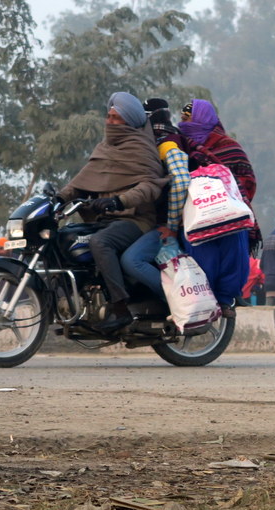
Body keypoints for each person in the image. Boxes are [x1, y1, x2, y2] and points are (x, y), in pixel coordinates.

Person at [59, 91, 168, 332]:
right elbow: (82, 182)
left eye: (116, 118)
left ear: (129, 121)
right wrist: (59, 198)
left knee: (100, 242)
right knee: (65, 238)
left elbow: (149, 187)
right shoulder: (105, 148)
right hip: (105, 219)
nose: (110, 122)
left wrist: (119, 201)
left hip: (136, 220)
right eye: (108, 116)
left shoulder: (142, 148)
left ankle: (120, 308)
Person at [179, 98, 259, 315]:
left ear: (204, 119)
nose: (184, 124)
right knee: (200, 260)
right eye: (183, 119)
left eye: (189, 119)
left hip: (229, 217)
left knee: (232, 257)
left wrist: (225, 197)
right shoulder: (180, 146)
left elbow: (247, 180)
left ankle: (226, 299)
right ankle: (204, 301)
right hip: (194, 218)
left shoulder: (228, 146)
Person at [119, 101, 191, 301]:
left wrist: (171, 226)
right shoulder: (153, 144)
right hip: (156, 221)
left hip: (168, 227)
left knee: (132, 261)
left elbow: (181, 182)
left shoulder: (167, 143)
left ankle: (175, 301)